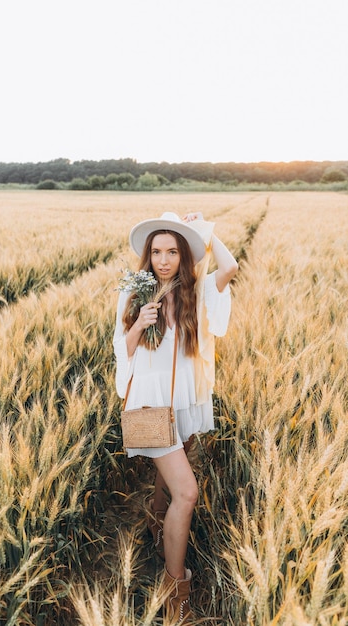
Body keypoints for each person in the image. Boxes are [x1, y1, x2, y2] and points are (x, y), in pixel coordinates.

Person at [113, 211, 238, 624]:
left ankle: (155, 519)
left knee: (169, 477)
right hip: (150, 404)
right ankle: (175, 587)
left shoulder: (196, 290)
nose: (162, 260)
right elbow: (121, 349)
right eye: (155, 252)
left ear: (183, 255)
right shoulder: (134, 293)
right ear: (147, 255)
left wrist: (207, 230)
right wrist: (138, 326)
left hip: (182, 400)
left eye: (171, 251)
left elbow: (231, 267)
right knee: (187, 492)